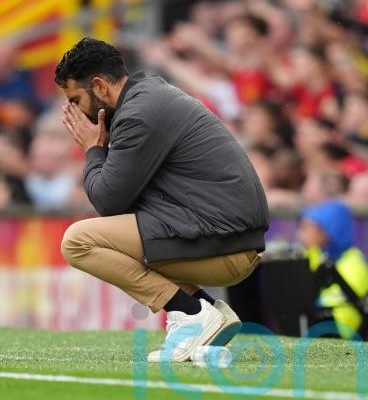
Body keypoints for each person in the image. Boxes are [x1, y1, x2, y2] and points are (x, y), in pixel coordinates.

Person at [56, 38, 269, 362]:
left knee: (78, 242)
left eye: (76, 100)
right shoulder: (146, 98)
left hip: (225, 245)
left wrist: (93, 149)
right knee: (118, 236)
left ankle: (192, 314)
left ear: (99, 86)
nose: (74, 112)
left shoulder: (138, 113)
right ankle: (205, 310)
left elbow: (108, 202)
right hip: (225, 237)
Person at [297, 200, 368, 339]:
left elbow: (343, 315)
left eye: (306, 228)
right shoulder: (317, 255)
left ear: (327, 231)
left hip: (343, 335)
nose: (300, 235)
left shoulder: (354, 264)